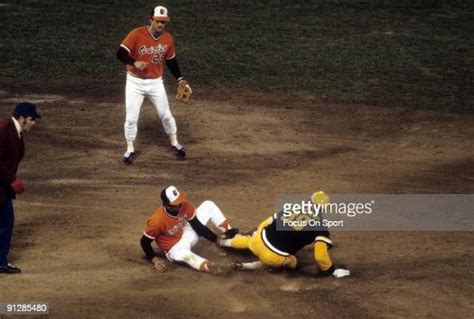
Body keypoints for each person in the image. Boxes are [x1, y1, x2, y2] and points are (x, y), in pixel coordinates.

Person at [116, 5, 192, 164]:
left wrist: (180, 79)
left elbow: (171, 60)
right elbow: (120, 53)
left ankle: (175, 143)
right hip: (134, 83)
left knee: (166, 115)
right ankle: (130, 149)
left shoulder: (167, 39)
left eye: (163, 22)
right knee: (131, 118)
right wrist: (134, 62)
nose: (160, 25)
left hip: (156, 83)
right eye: (158, 21)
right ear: (151, 20)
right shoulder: (137, 34)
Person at [218, 191, 351, 278]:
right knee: (293, 262)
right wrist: (332, 270)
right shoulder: (321, 227)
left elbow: (269, 220)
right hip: (274, 257)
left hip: (257, 240)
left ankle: (222, 242)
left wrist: (257, 233)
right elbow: (320, 255)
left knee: (251, 240)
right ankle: (245, 266)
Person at [140, 186, 238, 273]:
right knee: (186, 255)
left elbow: (197, 226)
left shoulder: (184, 205)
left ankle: (232, 238)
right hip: (174, 249)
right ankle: (214, 268)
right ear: (166, 205)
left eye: (180, 201)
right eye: (176, 204)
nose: (180, 205)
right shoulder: (157, 221)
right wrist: (154, 259)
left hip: (186, 234)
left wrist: (216, 240)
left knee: (208, 205)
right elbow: (144, 241)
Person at [0, 102, 41, 274]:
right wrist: (12, 180)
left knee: (5, 223)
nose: (34, 122)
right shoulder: (3, 129)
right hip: (1, 186)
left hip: (2, 187)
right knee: (5, 223)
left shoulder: (15, 131)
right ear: (22, 118)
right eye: (32, 119)